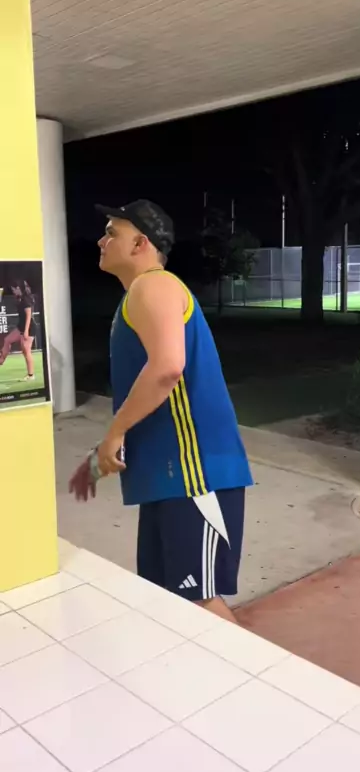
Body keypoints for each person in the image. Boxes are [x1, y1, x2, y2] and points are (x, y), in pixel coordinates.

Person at [69, 200, 253, 623]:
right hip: (170, 479)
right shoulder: (140, 295)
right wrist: (102, 453)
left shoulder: (155, 285)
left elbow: (168, 368)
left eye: (111, 232)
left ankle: (259, 670)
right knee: (166, 601)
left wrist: (114, 433)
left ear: (141, 244)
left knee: (198, 603)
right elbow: (150, 399)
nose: (100, 240)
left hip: (195, 475)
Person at [0, 280, 36, 380]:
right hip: (20, 327)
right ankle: (1, 360)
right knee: (7, 340)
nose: (13, 292)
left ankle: (31, 375)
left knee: (26, 351)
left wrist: (26, 331)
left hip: (29, 328)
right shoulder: (19, 299)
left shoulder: (26, 299)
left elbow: (28, 316)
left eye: (14, 290)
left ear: (18, 288)